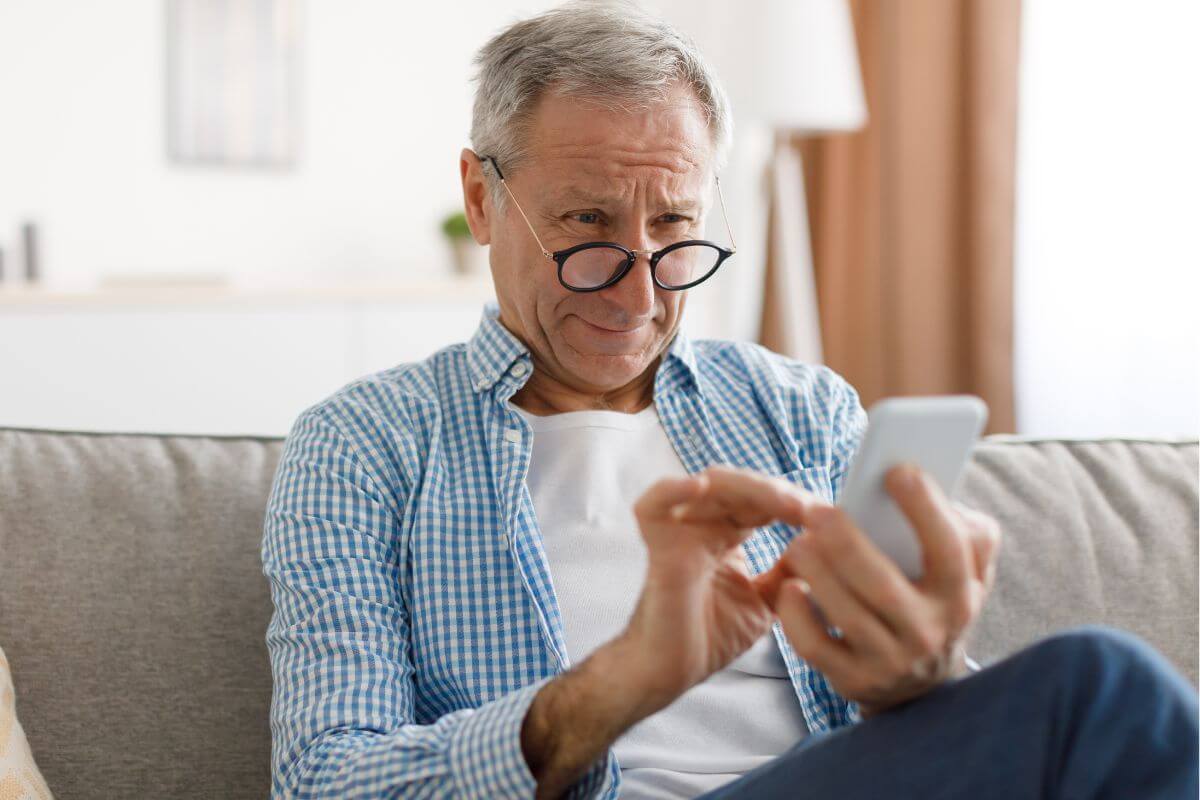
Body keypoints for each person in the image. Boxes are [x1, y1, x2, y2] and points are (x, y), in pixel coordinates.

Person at [261, 2, 1198, 797]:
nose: (637, 297)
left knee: (1099, 708)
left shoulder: (800, 409)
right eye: (586, 224)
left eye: (674, 227)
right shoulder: (364, 445)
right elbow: (326, 779)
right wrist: (625, 680)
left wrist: (926, 673)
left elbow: (923, 739)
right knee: (1103, 683)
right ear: (482, 194)